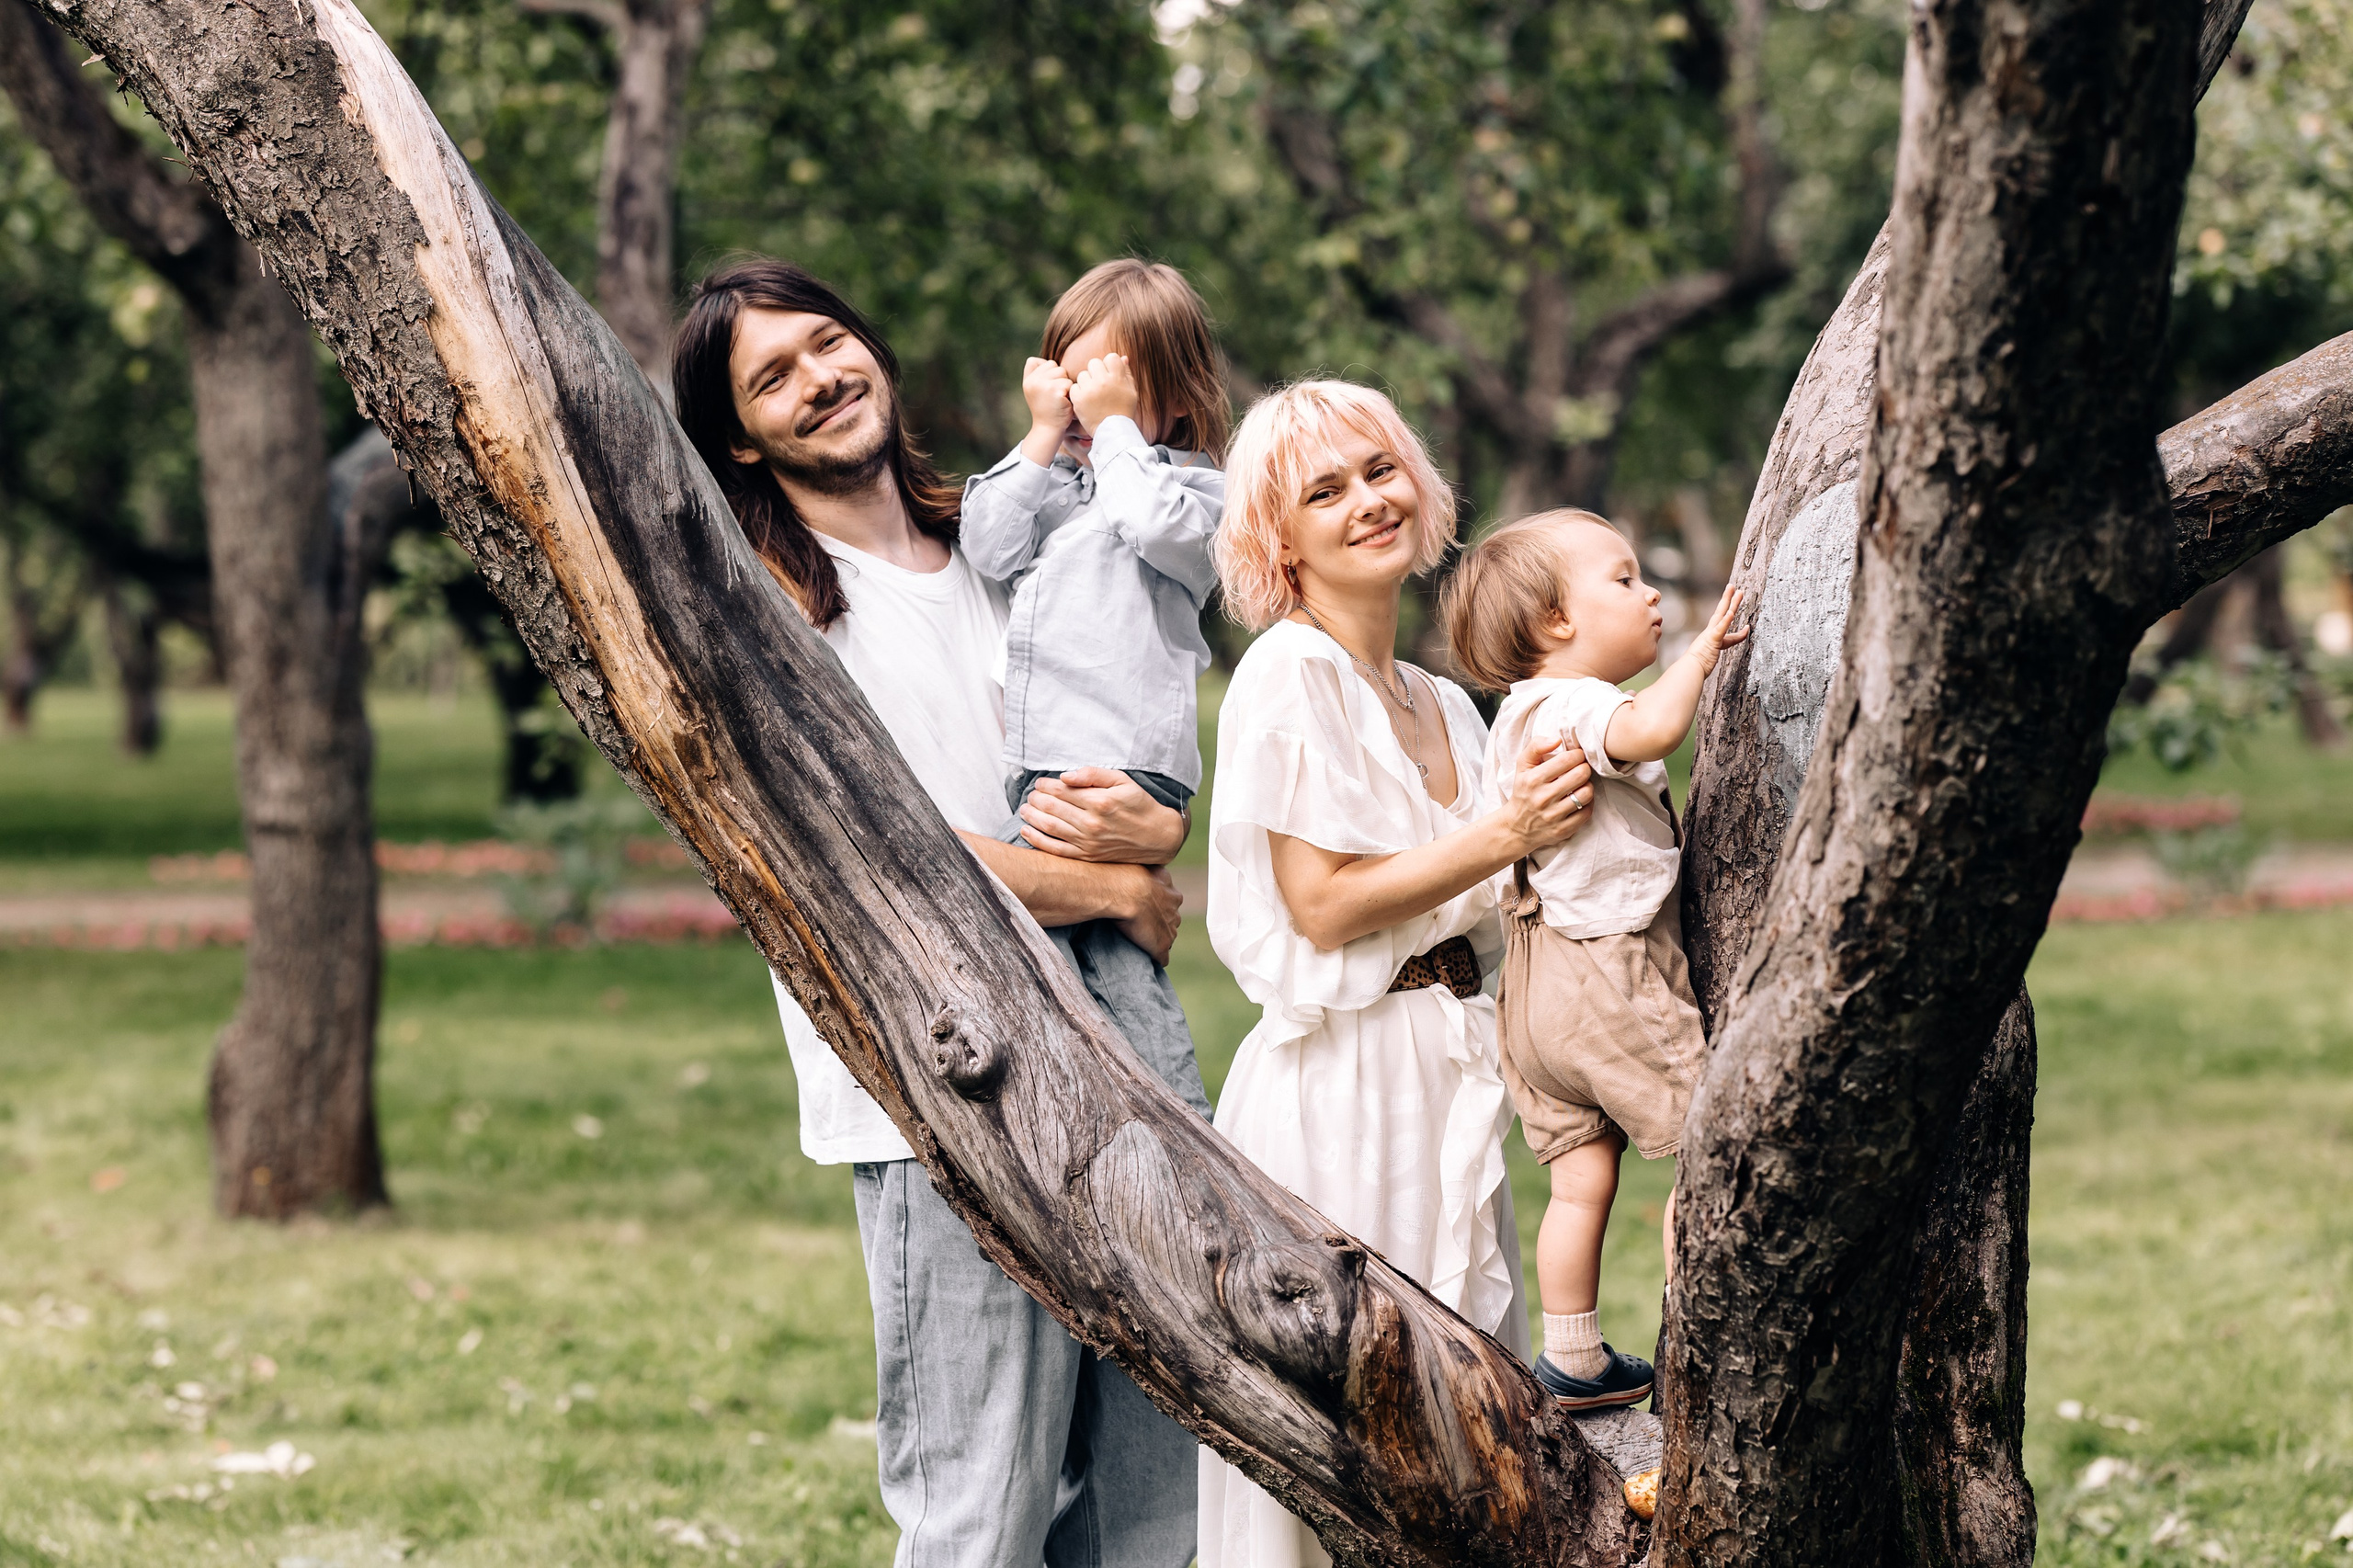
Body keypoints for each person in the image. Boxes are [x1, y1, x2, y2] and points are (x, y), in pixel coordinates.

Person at [672, 257, 1199, 1568]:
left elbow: (1121, 733)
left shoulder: (1010, 533)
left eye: (826, 341)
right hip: (937, 1089)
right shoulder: (765, 613)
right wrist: (1119, 889)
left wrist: (1154, 832)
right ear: (741, 438)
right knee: (986, 1505)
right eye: (773, 378)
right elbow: (876, 852)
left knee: (1149, 1503)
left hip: (1112, 1058)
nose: (818, 379)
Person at [1198, 381, 1597, 1567]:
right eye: (1323, 490)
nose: (1367, 501)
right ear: (1278, 538)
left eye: (1380, 470)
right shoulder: (1289, 672)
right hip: (1346, 1082)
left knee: (1468, 1425)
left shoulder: (1443, 701)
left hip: (1451, 1065)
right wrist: (1504, 833)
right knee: (1361, 1430)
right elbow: (1320, 905)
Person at [1438, 508, 1746, 1411]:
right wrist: (1699, 655)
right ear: (1555, 621)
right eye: (1623, 578)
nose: (1649, 594)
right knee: (1711, 1145)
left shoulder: (1511, 720)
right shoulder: (1575, 700)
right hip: (1608, 974)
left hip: (1535, 990)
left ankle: (1572, 1353)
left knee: (1580, 1179)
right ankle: (1703, 1341)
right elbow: (1649, 731)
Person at [960, 258, 1232, 1119]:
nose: (1085, 405)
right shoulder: (1053, 490)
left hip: (1119, 768)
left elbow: (1152, 526)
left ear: (1175, 398)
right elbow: (986, 545)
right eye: (1070, 383)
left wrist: (1115, 431)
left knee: (1011, 931)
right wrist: (1040, 437)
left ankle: (1176, 1120)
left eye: (1110, 384)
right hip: (1051, 764)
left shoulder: (1195, 492)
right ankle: (1136, 1117)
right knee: (1088, 956)